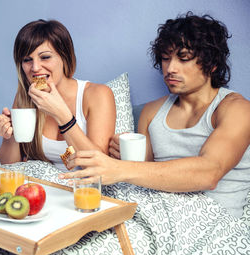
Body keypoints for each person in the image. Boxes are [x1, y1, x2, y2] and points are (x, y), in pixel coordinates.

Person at [60, 12, 250, 218]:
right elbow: (147, 173)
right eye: (166, 59)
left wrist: (120, 168)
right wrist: (125, 157)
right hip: (162, 213)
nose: (170, 68)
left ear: (212, 64)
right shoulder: (151, 112)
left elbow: (209, 172)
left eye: (183, 58)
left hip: (214, 221)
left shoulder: (236, 109)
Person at [0, 19, 116, 171]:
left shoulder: (97, 94)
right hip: (43, 188)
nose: (35, 68)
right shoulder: (24, 97)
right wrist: (9, 136)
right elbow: (9, 166)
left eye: (45, 57)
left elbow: (99, 168)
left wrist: (61, 115)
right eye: (27, 60)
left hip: (82, 189)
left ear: (64, 57)